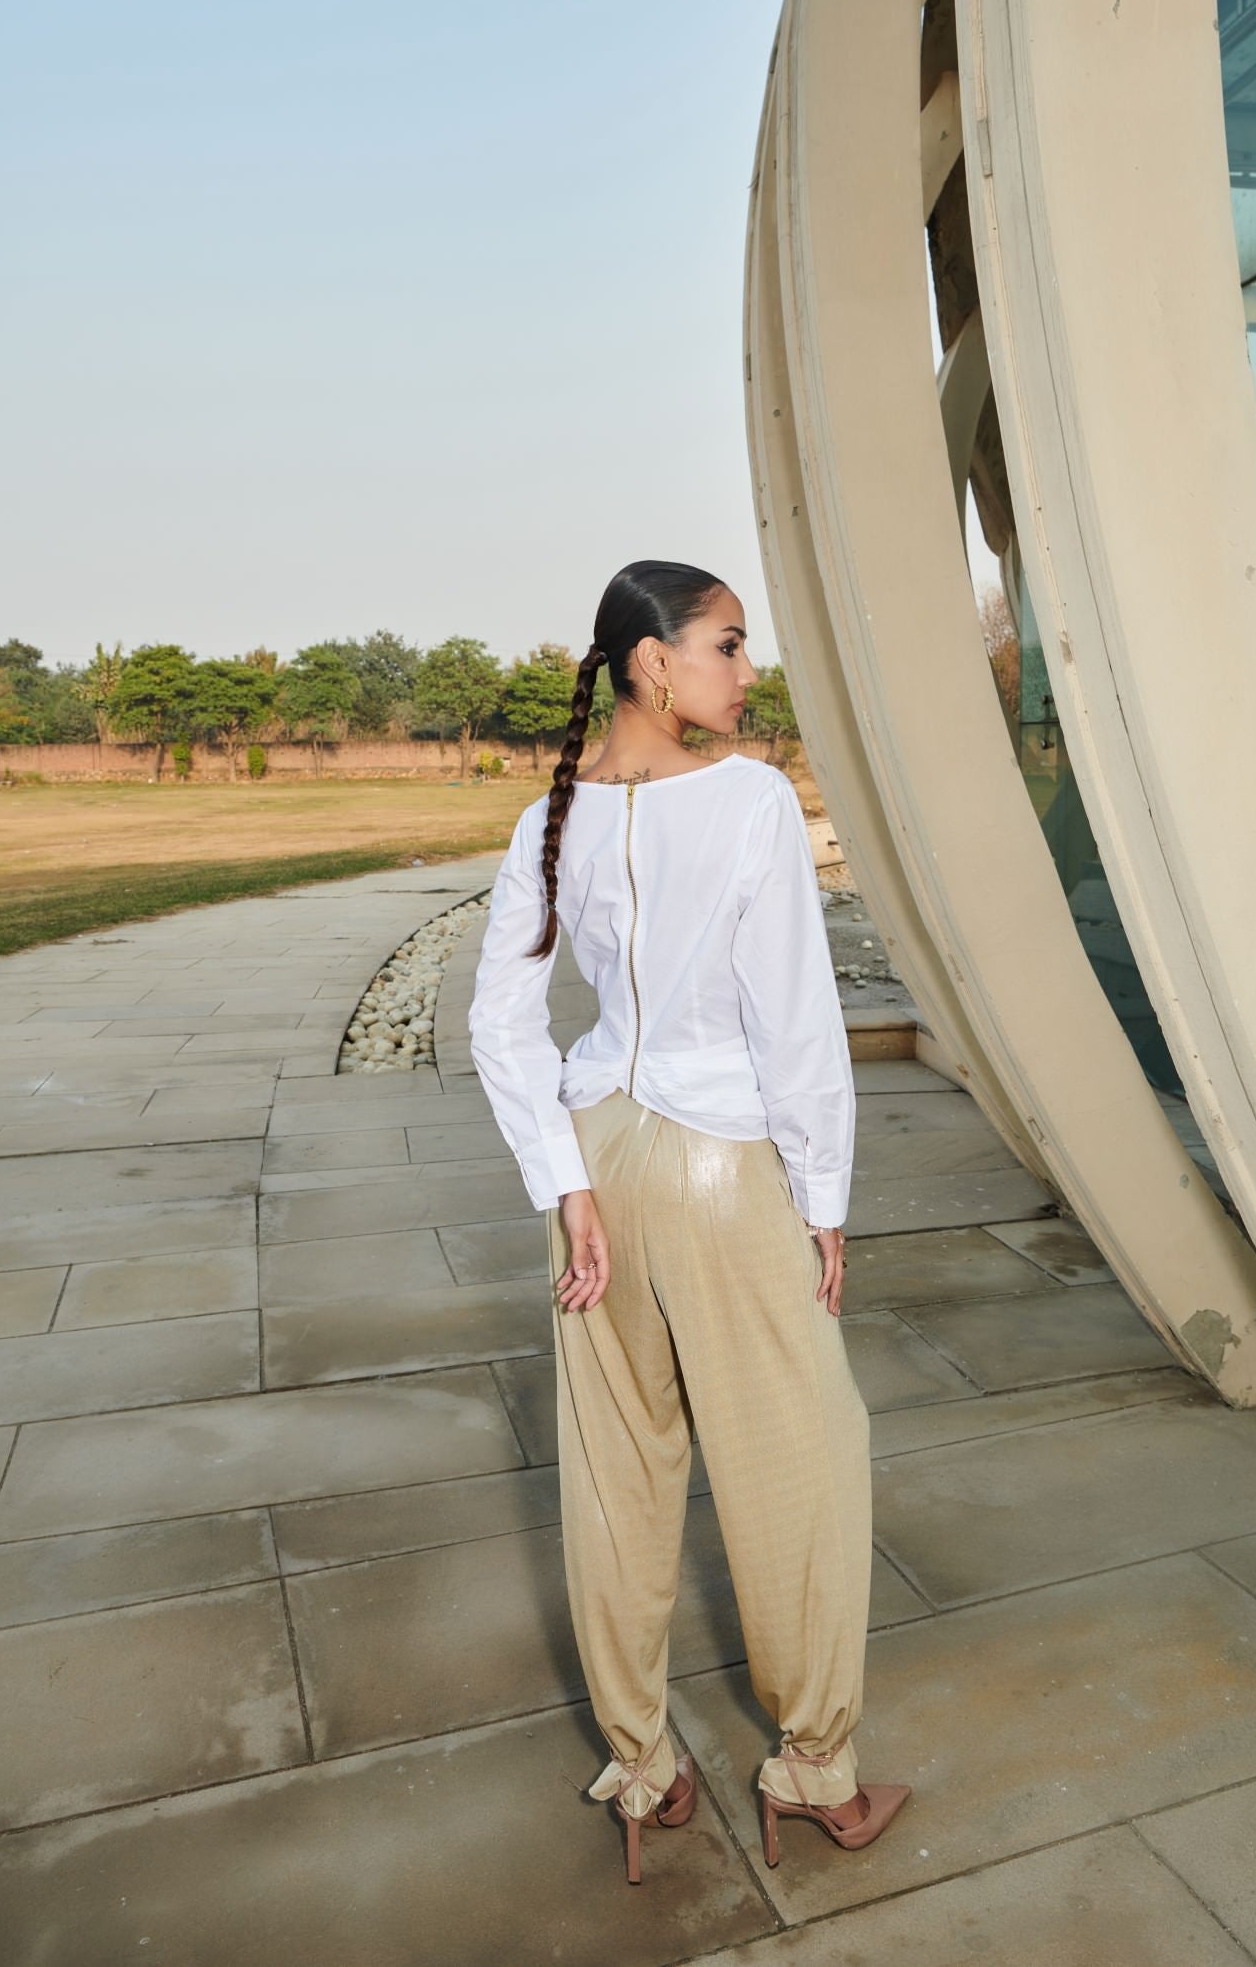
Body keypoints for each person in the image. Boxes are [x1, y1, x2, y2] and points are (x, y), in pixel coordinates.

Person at [467, 560, 910, 1882]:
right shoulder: (755, 800)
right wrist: (821, 1194)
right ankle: (816, 1770)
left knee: (618, 1478)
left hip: (602, 1159)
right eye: (727, 644)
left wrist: (568, 1182)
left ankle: (645, 1774)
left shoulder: (554, 812)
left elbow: (500, 1019)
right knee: (807, 1466)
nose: (745, 668)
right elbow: (795, 1017)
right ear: (656, 662)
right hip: (724, 1169)